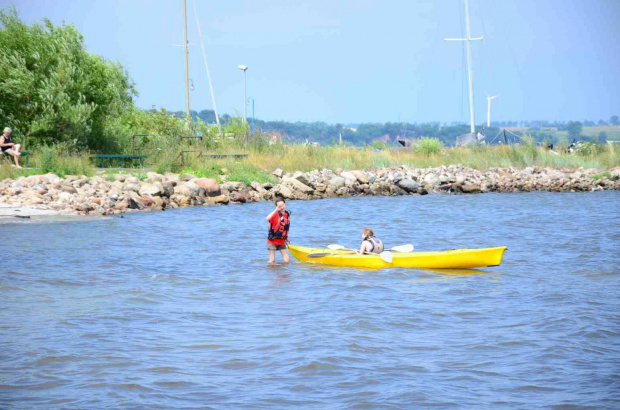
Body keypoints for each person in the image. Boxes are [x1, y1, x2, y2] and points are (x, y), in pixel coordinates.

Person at [266, 198, 291, 264]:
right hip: (272, 239)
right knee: (272, 260)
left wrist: (286, 237)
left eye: (282, 205)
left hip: (281, 239)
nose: (281, 207)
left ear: (285, 204)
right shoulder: (275, 214)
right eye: (279, 206)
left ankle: (284, 272)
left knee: (287, 259)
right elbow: (267, 218)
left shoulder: (287, 214)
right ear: (277, 206)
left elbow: (285, 226)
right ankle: (269, 272)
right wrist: (276, 210)